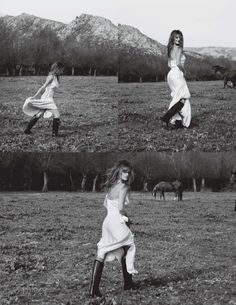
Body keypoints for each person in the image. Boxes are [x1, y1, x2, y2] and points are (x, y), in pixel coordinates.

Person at [89, 160, 138, 298]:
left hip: (107, 222)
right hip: (116, 221)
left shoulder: (111, 186)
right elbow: (121, 208)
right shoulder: (123, 187)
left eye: (129, 172)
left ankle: (93, 290)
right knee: (129, 246)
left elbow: (105, 203)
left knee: (104, 251)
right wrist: (128, 219)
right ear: (119, 171)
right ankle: (128, 283)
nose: (127, 175)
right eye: (124, 172)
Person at [23, 62, 64, 136]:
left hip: (48, 98)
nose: (62, 71)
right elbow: (43, 87)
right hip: (47, 99)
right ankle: (54, 134)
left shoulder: (55, 77)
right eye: (61, 69)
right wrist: (34, 96)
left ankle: (27, 130)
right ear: (57, 69)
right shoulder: (51, 77)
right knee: (57, 114)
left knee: (39, 114)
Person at [161, 30, 191, 129]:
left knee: (179, 97)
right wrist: (184, 71)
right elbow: (178, 63)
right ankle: (168, 118)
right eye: (176, 37)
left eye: (180, 38)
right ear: (173, 38)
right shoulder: (178, 48)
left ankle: (177, 120)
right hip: (177, 73)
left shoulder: (170, 48)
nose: (178, 39)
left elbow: (169, 64)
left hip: (171, 74)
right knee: (181, 97)